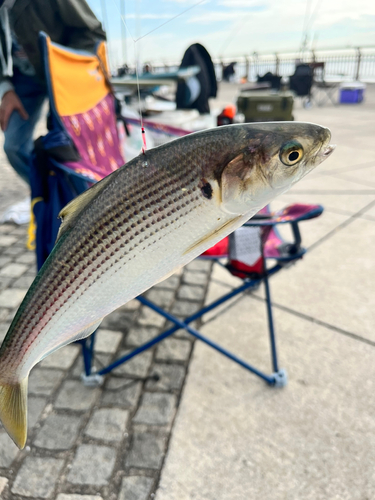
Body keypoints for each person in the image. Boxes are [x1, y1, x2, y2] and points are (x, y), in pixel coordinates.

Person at [0, 0, 106, 186]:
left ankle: (82, 201)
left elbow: (93, 32)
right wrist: (5, 88)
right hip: (21, 79)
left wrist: (65, 69)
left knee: (66, 143)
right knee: (13, 147)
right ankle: (48, 195)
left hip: (63, 73)